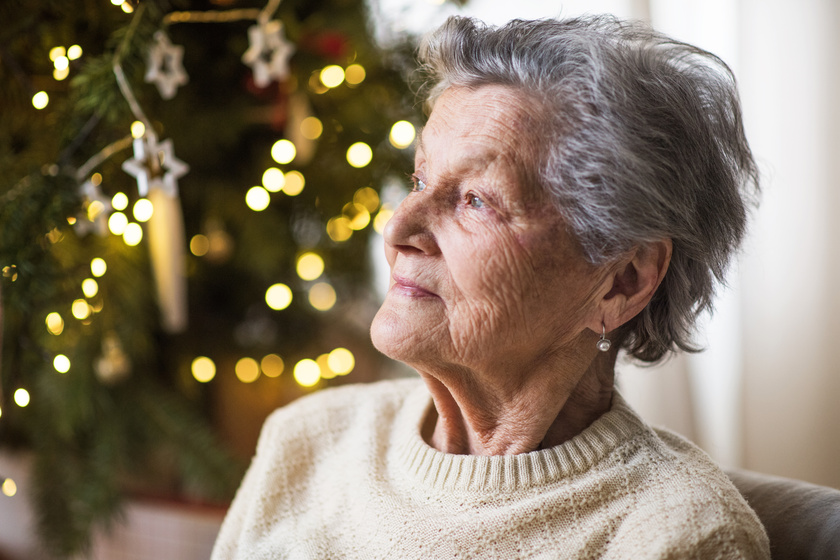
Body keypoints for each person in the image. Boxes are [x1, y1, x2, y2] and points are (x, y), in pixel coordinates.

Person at [212, 15, 770, 559]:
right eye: (420, 179)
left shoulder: (675, 537)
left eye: (476, 200)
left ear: (621, 281)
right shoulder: (307, 441)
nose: (397, 228)